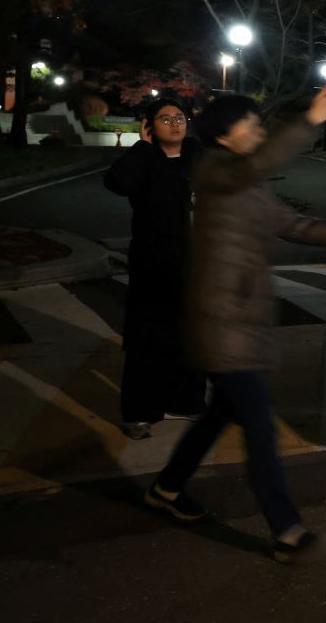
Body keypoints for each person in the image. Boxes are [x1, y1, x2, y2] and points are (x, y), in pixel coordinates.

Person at [144, 83, 326, 564]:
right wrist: (309, 118)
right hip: (222, 324)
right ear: (222, 137)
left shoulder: (244, 182)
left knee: (219, 414)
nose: (258, 130)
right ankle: (287, 533)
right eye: (250, 124)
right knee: (260, 429)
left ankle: (167, 488)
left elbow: (294, 226)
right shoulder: (216, 171)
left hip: (238, 320)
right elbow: (260, 163)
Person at [104, 97, 208, 439]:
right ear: (150, 125)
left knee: (191, 336)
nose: (175, 123)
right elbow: (116, 183)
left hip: (195, 263)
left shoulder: (198, 155)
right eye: (165, 118)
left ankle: (186, 402)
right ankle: (139, 413)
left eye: (180, 117)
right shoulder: (144, 159)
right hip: (152, 264)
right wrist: (140, 146)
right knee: (145, 340)